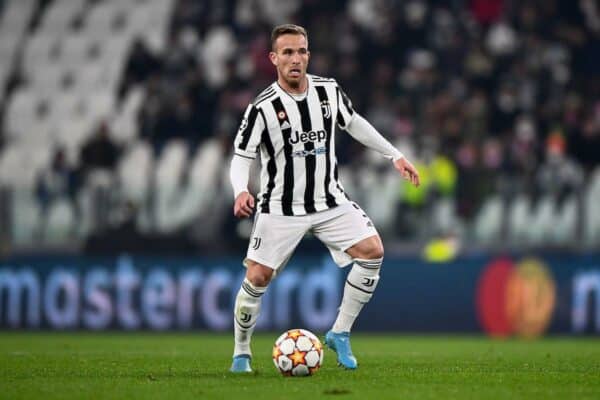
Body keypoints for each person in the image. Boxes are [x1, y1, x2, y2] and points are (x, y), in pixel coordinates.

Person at [229, 24, 420, 373]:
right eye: (287, 52)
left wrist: (394, 155)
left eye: (302, 51)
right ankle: (241, 353)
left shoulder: (328, 91)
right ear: (273, 59)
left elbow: (355, 122)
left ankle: (340, 333)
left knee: (373, 251)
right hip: (280, 208)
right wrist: (241, 189)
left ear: (308, 55)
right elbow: (242, 155)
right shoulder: (262, 108)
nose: (296, 58)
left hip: (329, 201)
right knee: (257, 277)